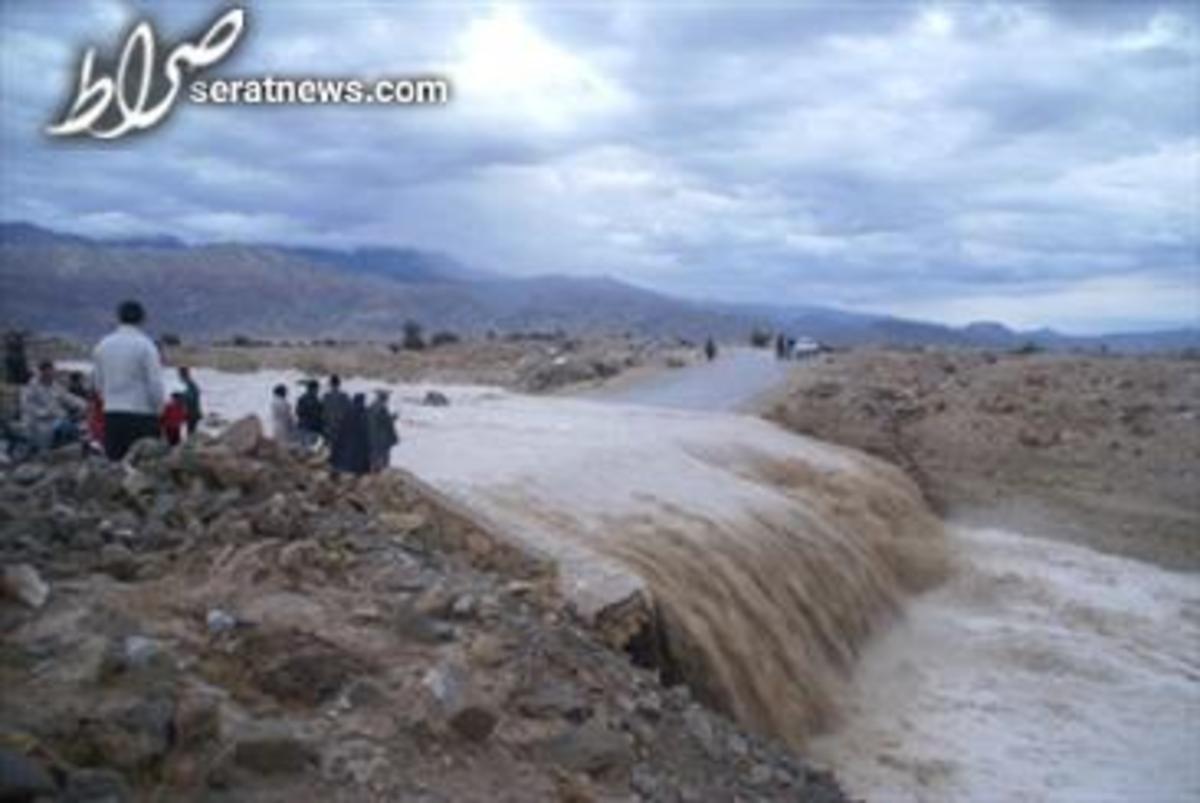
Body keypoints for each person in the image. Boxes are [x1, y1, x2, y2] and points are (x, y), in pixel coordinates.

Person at [92, 299, 166, 460]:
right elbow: (155, 384)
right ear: (143, 319)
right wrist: (159, 409)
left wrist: (109, 400)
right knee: (143, 469)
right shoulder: (146, 346)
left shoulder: (102, 345)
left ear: (118, 317)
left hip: (112, 415)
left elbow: (98, 384)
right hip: (142, 416)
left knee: (115, 467)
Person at [21, 360, 85, 451]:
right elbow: (27, 406)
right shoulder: (31, 387)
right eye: (47, 372)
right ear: (41, 372)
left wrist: (83, 404)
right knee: (46, 435)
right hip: (38, 422)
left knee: (75, 427)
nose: (50, 374)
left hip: (56, 419)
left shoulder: (55, 386)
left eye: (51, 371)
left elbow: (68, 397)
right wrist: (46, 412)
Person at [330, 393, 370, 476]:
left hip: (346, 441)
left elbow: (341, 425)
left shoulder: (348, 411)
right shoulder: (363, 412)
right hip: (358, 442)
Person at [366, 389, 398, 472]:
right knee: (383, 457)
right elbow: (386, 421)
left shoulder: (371, 406)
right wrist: (393, 417)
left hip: (372, 435)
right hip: (381, 436)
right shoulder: (382, 408)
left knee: (373, 456)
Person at [321, 374, 350, 444]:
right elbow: (349, 412)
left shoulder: (326, 397)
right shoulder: (344, 397)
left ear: (330, 384)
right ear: (339, 384)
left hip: (329, 426)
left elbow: (323, 413)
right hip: (340, 427)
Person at [295, 379, 323, 449]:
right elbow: (318, 414)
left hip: (302, 427)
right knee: (310, 450)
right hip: (311, 428)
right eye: (317, 389)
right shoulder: (316, 400)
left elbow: (298, 412)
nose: (318, 391)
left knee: (303, 450)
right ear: (314, 389)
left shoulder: (301, 398)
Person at [178, 366, 202, 437]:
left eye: (180, 375)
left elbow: (190, 397)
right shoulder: (190, 383)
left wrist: (181, 397)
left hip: (192, 413)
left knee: (190, 433)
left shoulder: (188, 383)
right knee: (190, 433)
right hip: (193, 412)